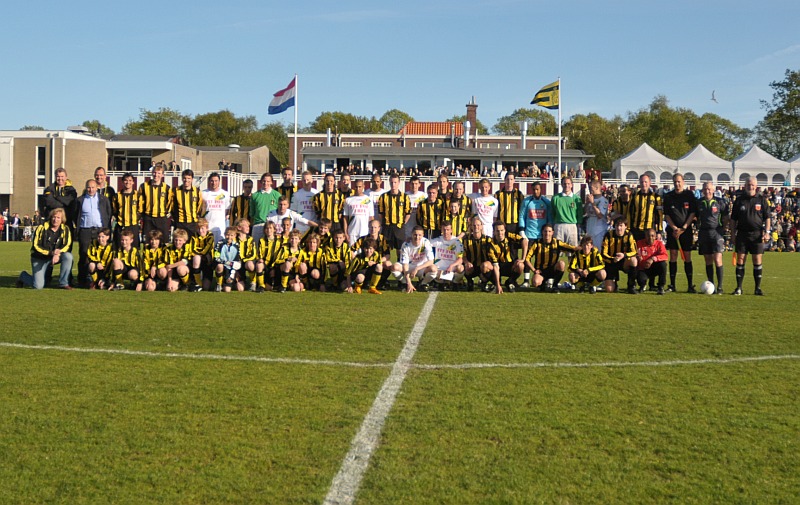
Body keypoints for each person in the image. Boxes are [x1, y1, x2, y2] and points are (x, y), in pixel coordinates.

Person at [730, 177, 770, 296]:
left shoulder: (762, 200)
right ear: (745, 186)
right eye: (748, 184)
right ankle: (739, 288)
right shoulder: (739, 200)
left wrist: (767, 231)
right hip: (742, 234)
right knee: (741, 259)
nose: (750, 187)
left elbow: (767, 217)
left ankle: (757, 288)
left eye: (752, 185)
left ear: (756, 186)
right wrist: (732, 234)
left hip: (757, 234)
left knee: (757, 260)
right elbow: (733, 219)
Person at [17, 208, 74, 290]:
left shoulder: (65, 229)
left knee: (68, 256)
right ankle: (23, 276)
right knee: (38, 286)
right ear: (50, 217)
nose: (55, 220)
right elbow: (36, 246)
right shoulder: (41, 228)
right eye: (54, 217)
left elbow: (67, 244)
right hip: (39, 258)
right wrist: (51, 253)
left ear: (62, 219)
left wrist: (58, 253)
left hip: (54, 257)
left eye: (58, 218)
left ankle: (63, 283)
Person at [663, 173, 697, 292]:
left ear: (683, 182)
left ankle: (690, 285)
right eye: (675, 182)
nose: (677, 184)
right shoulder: (668, 196)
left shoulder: (689, 195)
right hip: (673, 231)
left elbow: (692, 213)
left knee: (687, 256)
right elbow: (666, 215)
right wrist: (674, 228)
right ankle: (672, 285)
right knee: (673, 255)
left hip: (686, 231)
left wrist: (683, 228)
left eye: (679, 182)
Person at [76, 179, 112, 287]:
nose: (91, 189)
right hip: (85, 230)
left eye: (93, 187)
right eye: (88, 187)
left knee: (101, 255)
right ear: (85, 188)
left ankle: (101, 279)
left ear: (97, 188)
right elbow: (75, 215)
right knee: (84, 254)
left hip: (99, 230)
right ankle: (82, 280)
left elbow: (108, 213)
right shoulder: (80, 200)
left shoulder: (103, 199)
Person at [524, 223, 577, 292]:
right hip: (541, 271)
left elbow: (571, 248)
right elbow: (527, 259)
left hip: (553, 269)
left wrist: (582, 248)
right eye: (545, 231)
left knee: (561, 264)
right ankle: (544, 284)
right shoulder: (537, 243)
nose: (547, 233)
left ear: (552, 233)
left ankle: (555, 285)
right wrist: (534, 270)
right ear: (542, 232)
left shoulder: (557, 243)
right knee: (535, 283)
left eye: (549, 231)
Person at [696, 182, 727, 294]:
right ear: (702, 190)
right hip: (704, 233)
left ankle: (720, 287)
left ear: (713, 190)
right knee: (708, 260)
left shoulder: (720, 202)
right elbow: (695, 216)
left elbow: (726, 216)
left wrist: (723, 228)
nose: (707, 191)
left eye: (709, 189)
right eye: (705, 189)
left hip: (716, 233)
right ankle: (711, 284)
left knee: (717, 259)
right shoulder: (699, 202)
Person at [601, 217, 638, 293]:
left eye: (621, 225)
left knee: (633, 260)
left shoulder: (629, 235)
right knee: (609, 290)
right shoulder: (608, 235)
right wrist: (612, 259)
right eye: (617, 225)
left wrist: (624, 256)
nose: (619, 228)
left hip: (623, 261)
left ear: (626, 226)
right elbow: (603, 253)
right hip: (611, 262)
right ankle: (615, 282)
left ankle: (631, 286)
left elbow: (634, 251)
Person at [394, 225, 436, 293]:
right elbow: (405, 265)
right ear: (411, 234)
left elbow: (431, 261)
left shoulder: (426, 242)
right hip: (409, 267)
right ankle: (405, 283)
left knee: (434, 269)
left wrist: (417, 268)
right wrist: (409, 282)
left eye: (419, 235)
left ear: (423, 235)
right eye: (415, 235)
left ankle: (423, 284)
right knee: (395, 267)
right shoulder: (406, 245)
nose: (417, 237)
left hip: (421, 267)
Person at [487, 220, 525, 294]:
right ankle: (496, 284)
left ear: (505, 230)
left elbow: (525, 241)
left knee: (520, 265)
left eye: (502, 230)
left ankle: (510, 282)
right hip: (498, 267)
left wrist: (523, 258)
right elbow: (495, 266)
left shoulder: (510, 236)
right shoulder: (491, 244)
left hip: (510, 266)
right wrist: (498, 285)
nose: (500, 233)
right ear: (494, 232)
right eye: (497, 231)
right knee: (485, 266)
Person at [379, 174, 411, 258]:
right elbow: (381, 213)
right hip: (387, 227)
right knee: (387, 250)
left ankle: (399, 269)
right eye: (391, 182)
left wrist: (402, 223)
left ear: (399, 183)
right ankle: (388, 269)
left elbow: (408, 213)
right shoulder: (383, 197)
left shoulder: (405, 197)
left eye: (395, 182)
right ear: (389, 183)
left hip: (399, 227)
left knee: (400, 250)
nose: (393, 184)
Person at [138, 164, 173, 241]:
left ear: (163, 175)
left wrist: (167, 213)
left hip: (161, 218)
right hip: (148, 218)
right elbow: (140, 201)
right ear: (152, 173)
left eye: (159, 173)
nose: (156, 175)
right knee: (147, 241)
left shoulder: (167, 188)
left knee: (164, 242)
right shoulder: (144, 186)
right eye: (154, 172)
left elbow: (170, 202)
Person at [461, 216, 494, 292]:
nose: (476, 227)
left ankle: (484, 281)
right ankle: (470, 282)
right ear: (471, 227)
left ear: (482, 226)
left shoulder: (488, 239)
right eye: (474, 225)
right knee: (466, 267)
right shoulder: (466, 239)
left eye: (478, 225)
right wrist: (466, 263)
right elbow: (463, 255)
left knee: (485, 266)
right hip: (472, 266)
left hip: (483, 267)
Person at [430, 220, 465, 290]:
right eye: (444, 230)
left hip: (452, 268)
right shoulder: (437, 240)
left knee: (460, 268)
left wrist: (451, 266)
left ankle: (454, 282)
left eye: (448, 230)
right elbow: (424, 244)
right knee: (432, 269)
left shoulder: (457, 242)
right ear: (441, 230)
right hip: (439, 269)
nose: (446, 232)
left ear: (451, 230)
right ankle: (440, 283)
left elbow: (460, 259)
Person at [42, 168, 78, 233]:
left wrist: (56, 197)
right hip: (52, 222)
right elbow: (49, 202)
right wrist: (64, 205)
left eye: (62, 176)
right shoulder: (49, 189)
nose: (60, 179)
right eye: (58, 176)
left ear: (66, 177)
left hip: (67, 221)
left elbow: (69, 202)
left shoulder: (71, 190)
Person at [628, 174, 663, 241]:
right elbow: (629, 213)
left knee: (650, 251)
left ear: (650, 183)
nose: (643, 184)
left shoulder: (656, 197)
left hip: (650, 230)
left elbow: (660, 215)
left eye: (645, 182)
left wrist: (659, 231)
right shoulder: (634, 197)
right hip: (636, 230)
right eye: (642, 182)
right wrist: (629, 229)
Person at [249, 173, 282, 242]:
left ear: (271, 182)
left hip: (272, 226)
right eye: (264, 181)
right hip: (258, 225)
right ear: (261, 181)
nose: (265, 183)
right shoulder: (255, 195)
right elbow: (252, 213)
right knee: (256, 247)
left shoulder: (277, 195)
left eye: (268, 181)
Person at [635, 228, 668, 295]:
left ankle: (661, 287)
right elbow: (633, 253)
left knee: (663, 264)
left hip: (654, 267)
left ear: (655, 236)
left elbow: (665, 256)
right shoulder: (639, 243)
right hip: (643, 268)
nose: (650, 238)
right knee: (641, 281)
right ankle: (641, 285)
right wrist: (637, 256)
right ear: (645, 236)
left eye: (652, 236)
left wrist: (653, 259)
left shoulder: (659, 244)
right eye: (648, 236)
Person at [551, 176, 583, 246]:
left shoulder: (577, 199)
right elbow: (552, 212)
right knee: (557, 250)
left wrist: (578, 225)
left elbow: (579, 214)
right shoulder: (556, 198)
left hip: (572, 226)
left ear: (571, 185)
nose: (566, 185)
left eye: (568, 184)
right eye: (564, 183)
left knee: (572, 251)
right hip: (559, 226)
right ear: (562, 185)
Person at [112, 172, 140, 248]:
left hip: (133, 226)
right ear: (122, 182)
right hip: (121, 226)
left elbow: (140, 210)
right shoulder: (117, 196)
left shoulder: (138, 195)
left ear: (133, 182)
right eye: (126, 180)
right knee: (118, 249)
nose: (128, 182)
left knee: (134, 249)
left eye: (130, 180)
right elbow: (115, 210)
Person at [201, 172, 230, 243]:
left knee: (218, 250)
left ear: (219, 182)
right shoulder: (203, 193)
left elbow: (227, 210)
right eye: (212, 181)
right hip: (207, 227)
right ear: (209, 181)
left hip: (220, 227)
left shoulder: (225, 194)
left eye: (216, 181)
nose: (214, 183)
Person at [342, 180, 373, 245]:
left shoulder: (368, 200)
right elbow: (345, 218)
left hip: (364, 232)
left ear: (363, 187)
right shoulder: (348, 200)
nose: (358, 189)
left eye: (360, 187)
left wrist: (371, 232)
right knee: (352, 253)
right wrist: (345, 233)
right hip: (352, 232)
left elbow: (371, 218)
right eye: (356, 187)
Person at [214, 227, 243, 292]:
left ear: (235, 235)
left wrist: (232, 275)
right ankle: (219, 284)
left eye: (231, 235)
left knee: (240, 289)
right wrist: (226, 262)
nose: (229, 237)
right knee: (219, 266)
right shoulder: (219, 243)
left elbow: (237, 262)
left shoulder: (237, 246)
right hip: (223, 267)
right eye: (227, 234)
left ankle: (232, 282)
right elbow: (216, 257)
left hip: (231, 268)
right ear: (224, 234)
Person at [584, 179, 610, 251]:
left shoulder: (603, 200)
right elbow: (584, 213)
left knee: (598, 251)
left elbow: (600, 215)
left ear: (596, 188)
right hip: (590, 228)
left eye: (590, 187)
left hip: (599, 230)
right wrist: (587, 203)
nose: (589, 189)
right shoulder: (590, 199)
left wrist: (593, 203)